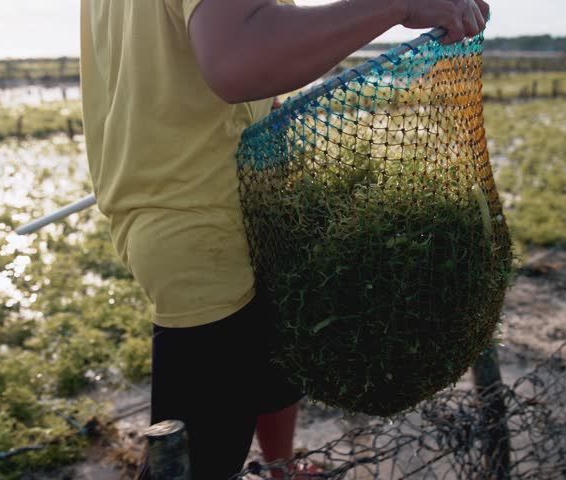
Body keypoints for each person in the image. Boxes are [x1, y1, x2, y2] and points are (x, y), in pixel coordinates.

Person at [78, 0, 489, 478]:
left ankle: (280, 467)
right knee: (201, 460)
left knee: (274, 359)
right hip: (202, 228)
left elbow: (186, 57)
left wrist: (265, 101)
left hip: (227, 205)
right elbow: (237, 59)